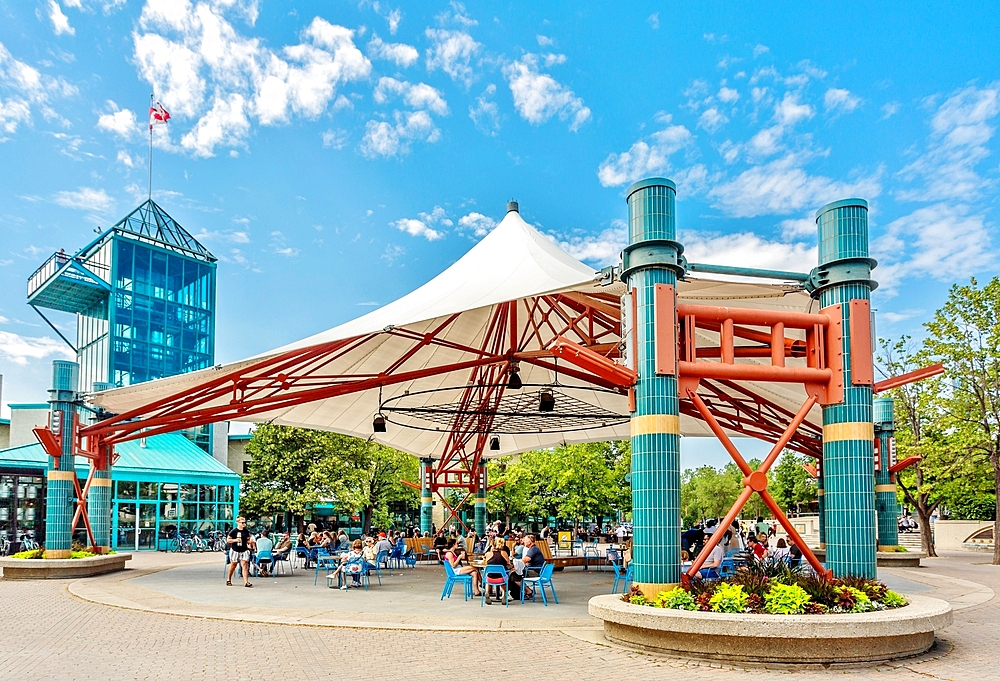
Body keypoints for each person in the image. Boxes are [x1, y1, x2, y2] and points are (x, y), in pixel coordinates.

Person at [226, 517, 254, 588]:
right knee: (233, 564)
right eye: (242, 522)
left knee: (244, 565)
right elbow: (228, 540)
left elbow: (247, 539)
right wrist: (235, 540)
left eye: (244, 522)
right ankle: (228, 579)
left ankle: (246, 582)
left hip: (244, 550)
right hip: (235, 550)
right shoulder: (233, 531)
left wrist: (250, 542)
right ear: (238, 523)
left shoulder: (246, 531)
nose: (244, 524)